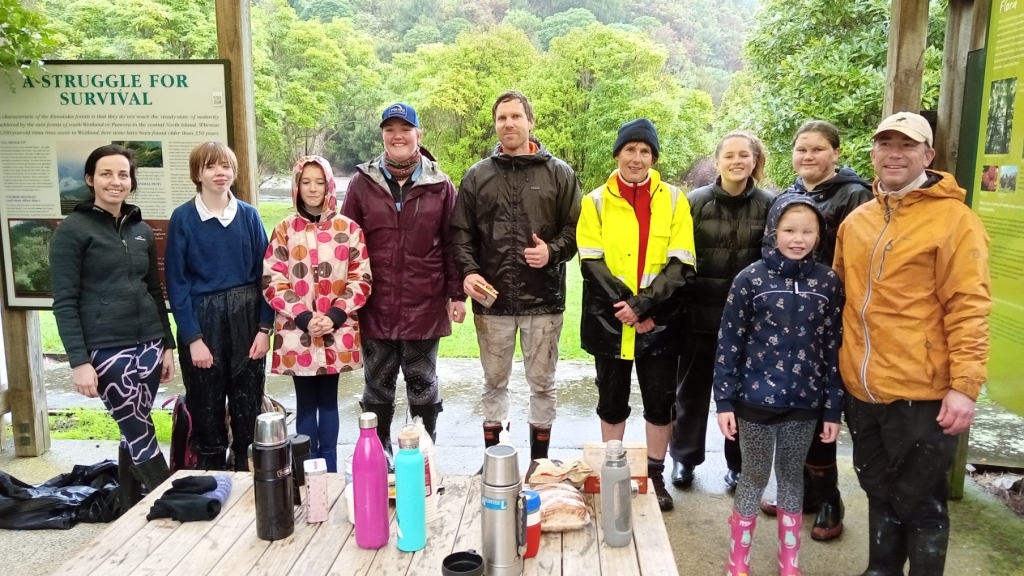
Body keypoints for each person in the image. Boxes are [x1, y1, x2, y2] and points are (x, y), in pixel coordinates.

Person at [835, 112, 991, 576]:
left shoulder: (955, 222)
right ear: (873, 153)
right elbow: (842, 299)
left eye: (907, 145)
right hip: (862, 389)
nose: (895, 153)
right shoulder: (857, 220)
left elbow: (969, 307)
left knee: (920, 502)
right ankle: (880, 569)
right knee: (879, 490)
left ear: (929, 155)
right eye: (886, 143)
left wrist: (964, 385)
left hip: (923, 393)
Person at [716, 195, 845, 576]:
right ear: (774, 232)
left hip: (805, 404)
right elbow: (729, 342)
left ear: (819, 235)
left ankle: (790, 560)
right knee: (754, 476)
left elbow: (835, 345)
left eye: (808, 231)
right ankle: (738, 559)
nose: (798, 239)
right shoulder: (750, 278)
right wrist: (724, 401)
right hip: (754, 401)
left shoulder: (827, 282)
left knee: (791, 477)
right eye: (789, 230)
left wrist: (832, 408)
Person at [450, 90, 582, 460]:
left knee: (542, 385)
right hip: (492, 302)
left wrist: (551, 252)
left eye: (515, 116)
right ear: (495, 125)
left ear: (530, 122)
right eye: (501, 118)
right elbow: (460, 233)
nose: (508, 123)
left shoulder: (559, 173)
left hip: (544, 301)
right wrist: (470, 273)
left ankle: (540, 464)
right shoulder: (478, 176)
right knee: (494, 384)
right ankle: (497, 462)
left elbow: (575, 231)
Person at [760, 119, 873, 540]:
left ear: (836, 153)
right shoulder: (785, 198)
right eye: (801, 149)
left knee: (820, 403)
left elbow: (856, 262)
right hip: (785, 319)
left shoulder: (854, 195)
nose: (808, 156)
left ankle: (829, 498)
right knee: (791, 406)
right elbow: (768, 251)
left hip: (828, 315)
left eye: (818, 149)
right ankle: (802, 491)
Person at [576, 119, 696, 511]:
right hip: (609, 323)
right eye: (630, 149)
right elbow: (591, 263)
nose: (637, 158)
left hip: (659, 323)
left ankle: (655, 476)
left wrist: (643, 307)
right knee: (611, 403)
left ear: (654, 158)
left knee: (661, 405)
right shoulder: (594, 201)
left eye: (645, 151)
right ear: (618, 154)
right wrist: (627, 308)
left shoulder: (676, 200)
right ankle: (613, 473)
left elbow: (682, 264)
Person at [49, 144, 176, 513]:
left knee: (134, 426)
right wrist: (78, 361)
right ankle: (174, 504)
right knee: (139, 430)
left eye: (123, 174)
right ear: (90, 179)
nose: (115, 181)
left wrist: (166, 345)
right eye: (106, 173)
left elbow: (154, 290)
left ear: (131, 182)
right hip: (106, 352)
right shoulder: (71, 232)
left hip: (149, 344)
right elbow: (65, 302)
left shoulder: (141, 230)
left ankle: (128, 505)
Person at [341, 103, 463, 470]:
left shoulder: (440, 185)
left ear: (418, 135)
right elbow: (346, 242)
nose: (397, 135)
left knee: (422, 381)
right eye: (390, 128)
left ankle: (422, 455)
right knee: (377, 383)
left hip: (424, 301)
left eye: (405, 128)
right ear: (382, 135)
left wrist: (456, 293)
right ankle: (379, 456)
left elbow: (454, 243)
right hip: (374, 301)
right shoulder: (362, 183)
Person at [669, 131, 774, 491]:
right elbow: (678, 258)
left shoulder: (769, 204)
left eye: (744, 155)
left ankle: (738, 465)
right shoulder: (694, 202)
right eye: (729, 155)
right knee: (691, 393)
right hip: (698, 315)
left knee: (743, 398)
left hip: (749, 322)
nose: (736, 161)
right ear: (717, 162)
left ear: (754, 160)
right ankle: (684, 459)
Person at [165, 141, 274, 471]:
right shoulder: (183, 218)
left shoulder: (249, 216)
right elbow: (176, 283)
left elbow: (267, 276)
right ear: (198, 173)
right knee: (206, 407)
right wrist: (192, 338)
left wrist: (264, 328)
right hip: (204, 319)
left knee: (247, 406)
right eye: (211, 166)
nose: (219, 173)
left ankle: (245, 474)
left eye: (225, 166)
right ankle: (210, 478)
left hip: (246, 318)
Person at [262, 155, 371, 473]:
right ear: (296, 186)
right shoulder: (284, 230)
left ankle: (332, 469)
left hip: (336, 332)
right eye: (306, 182)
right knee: (306, 402)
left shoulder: (348, 229)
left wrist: (336, 315)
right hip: (299, 334)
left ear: (329, 185)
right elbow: (273, 279)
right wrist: (305, 317)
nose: (312, 189)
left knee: (329, 401)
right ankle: (308, 471)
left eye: (319, 182)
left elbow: (360, 277)